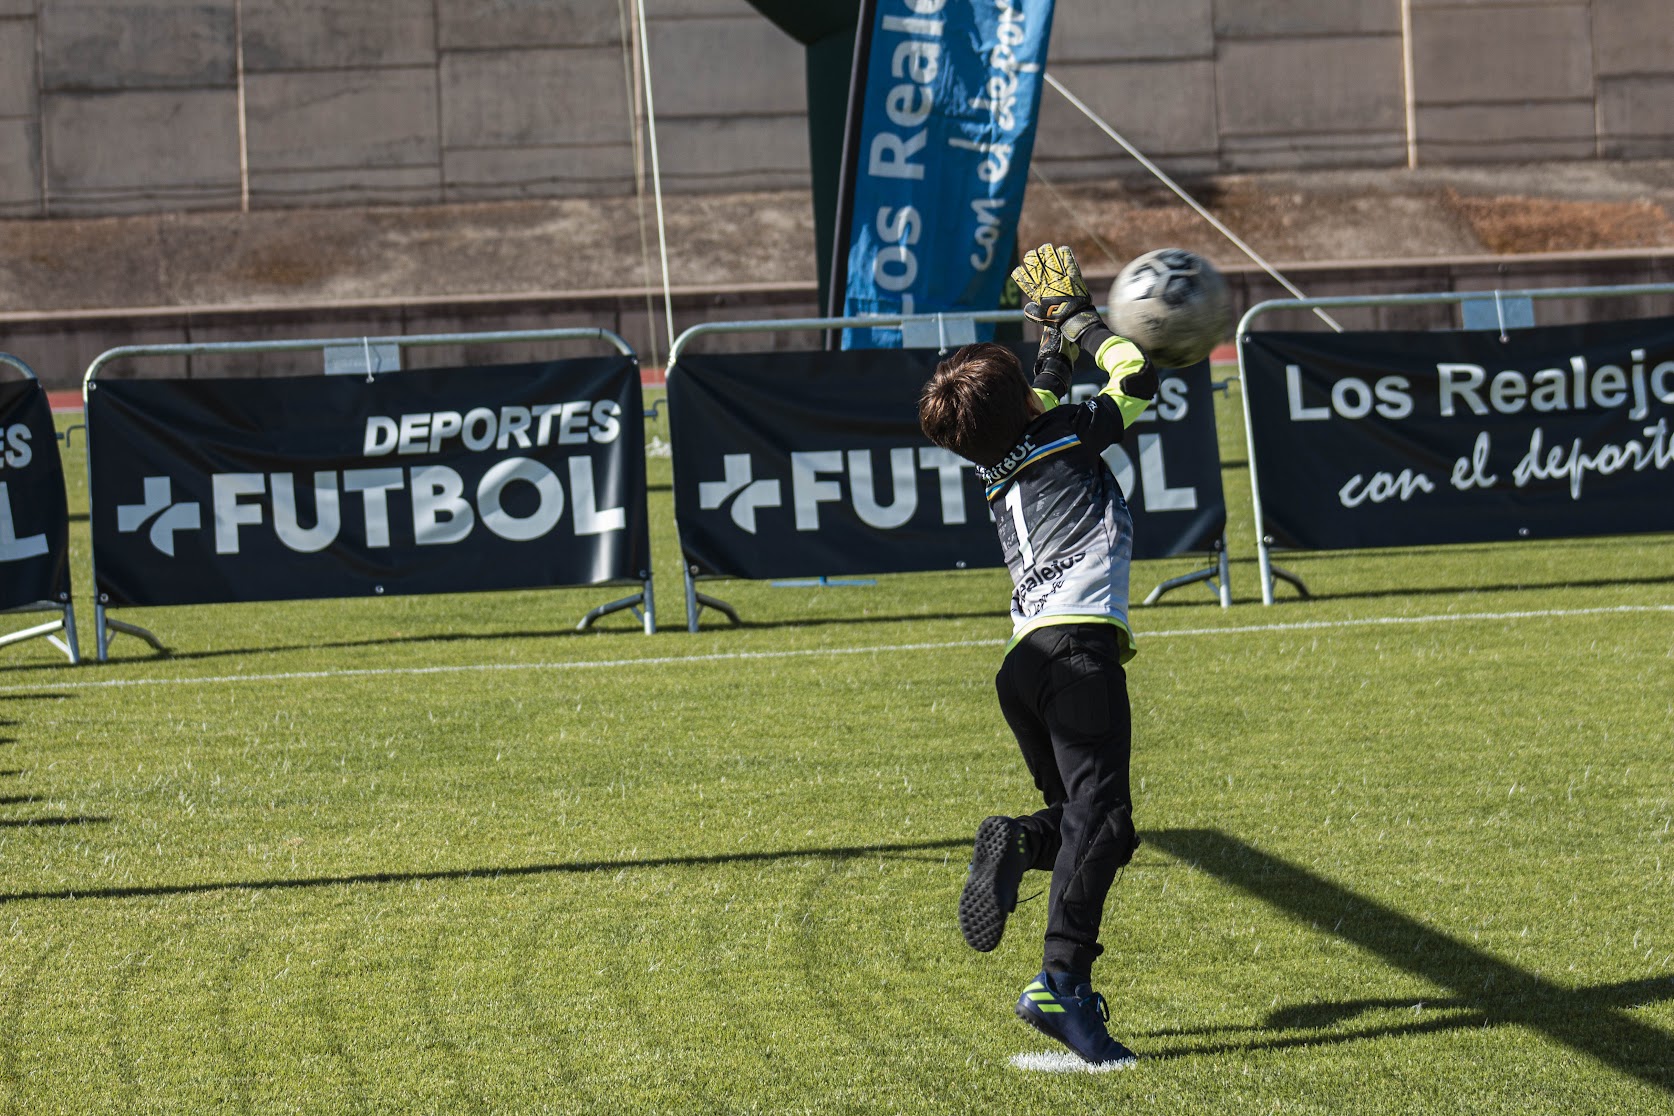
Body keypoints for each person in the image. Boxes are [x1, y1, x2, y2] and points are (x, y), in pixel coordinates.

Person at [917, 244, 1157, 1069]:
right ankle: (1061, 982)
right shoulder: (1055, 434)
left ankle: (1019, 843)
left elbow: (1040, 397)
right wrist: (1078, 321)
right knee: (1108, 820)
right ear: (1021, 407)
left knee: (1097, 833)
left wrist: (1047, 350)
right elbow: (1135, 382)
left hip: (1025, 665)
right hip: (1078, 654)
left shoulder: (1000, 459)